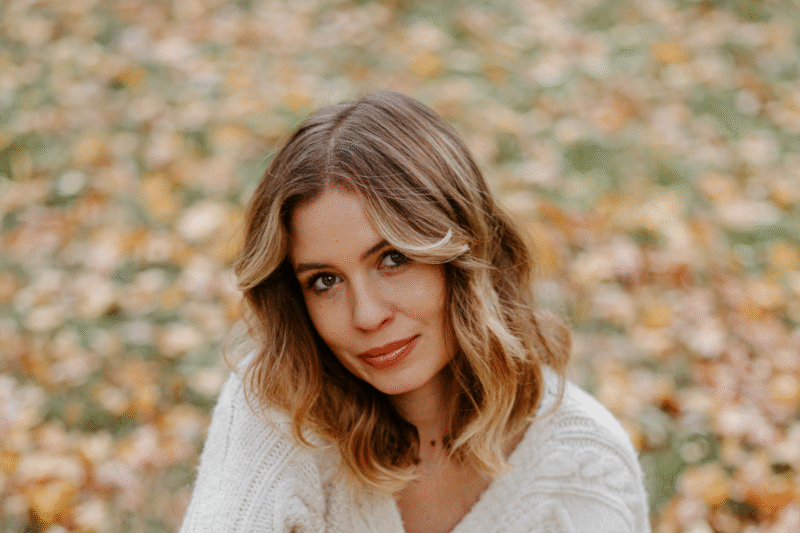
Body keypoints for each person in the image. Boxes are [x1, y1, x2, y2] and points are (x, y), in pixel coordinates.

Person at [179, 91, 650, 533]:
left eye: (393, 258)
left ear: (463, 254)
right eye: (325, 281)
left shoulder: (586, 467)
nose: (366, 316)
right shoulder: (280, 408)